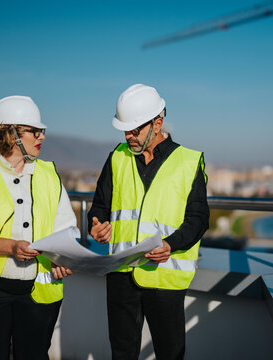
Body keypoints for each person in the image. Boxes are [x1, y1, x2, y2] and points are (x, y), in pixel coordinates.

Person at [0, 95, 76, 360]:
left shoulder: (50, 173)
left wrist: (62, 256)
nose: (41, 136)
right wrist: (12, 247)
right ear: (10, 133)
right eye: (34, 131)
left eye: (42, 131)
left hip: (39, 292)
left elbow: (66, 228)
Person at [88, 84, 209, 360]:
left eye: (134, 130)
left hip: (164, 277)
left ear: (157, 123)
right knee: (122, 353)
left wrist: (171, 244)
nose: (128, 136)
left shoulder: (189, 162)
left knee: (170, 354)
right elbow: (99, 206)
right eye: (125, 130)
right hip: (121, 275)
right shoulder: (117, 158)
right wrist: (96, 224)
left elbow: (199, 219)